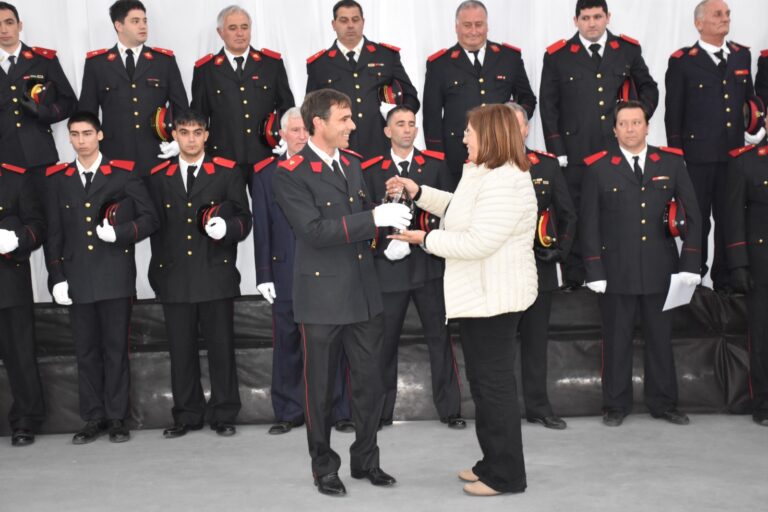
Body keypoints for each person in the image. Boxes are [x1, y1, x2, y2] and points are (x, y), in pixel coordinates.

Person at [389, 104, 538, 496]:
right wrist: (418, 192)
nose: (463, 138)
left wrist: (425, 239)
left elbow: (478, 241)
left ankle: (507, 476)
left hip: (496, 298)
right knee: (484, 383)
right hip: (478, 295)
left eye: (469, 131)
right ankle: (491, 462)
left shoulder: (507, 180)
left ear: (488, 135)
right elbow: (458, 209)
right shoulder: (481, 172)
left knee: (495, 386)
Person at [273, 89, 410, 496]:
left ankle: (366, 459)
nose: (353, 125)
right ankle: (323, 466)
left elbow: (364, 223)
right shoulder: (291, 172)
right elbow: (313, 231)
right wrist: (373, 218)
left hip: (364, 292)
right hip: (321, 298)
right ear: (319, 123)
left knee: (370, 383)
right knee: (320, 389)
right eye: (345, 118)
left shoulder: (352, 164)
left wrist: (389, 237)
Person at [580, 100, 702, 427]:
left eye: (637, 122)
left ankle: (664, 403)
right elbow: (588, 223)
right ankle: (615, 405)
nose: (631, 129)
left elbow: (694, 215)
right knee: (616, 340)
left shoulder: (673, 163)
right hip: (615, 273)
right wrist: (593, 269)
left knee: (661, 340)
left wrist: (691, 263)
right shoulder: (598, 166)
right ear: (615, 128)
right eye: (624, 123)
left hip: (662, 270)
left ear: (648, 126)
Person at [45, 111, 159, 444]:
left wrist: (122, 233)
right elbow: (54, 233)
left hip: (114, 276)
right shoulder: (59, 179)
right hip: (77, 278)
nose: (81, 140)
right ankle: (93, 417)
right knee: (86, 351)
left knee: (114, 350)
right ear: (68, 138)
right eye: (75, 134)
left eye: (87, 133)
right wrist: (56, 276)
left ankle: (117, 416)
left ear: (100, 135)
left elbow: (150, 219)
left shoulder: (122, 174)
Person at [147, 109, 252, 439]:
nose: (190, 138)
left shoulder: (227, 171)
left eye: (197, 132)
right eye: (184, 132)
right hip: (174, 275)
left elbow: (245, 220)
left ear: (207, 135)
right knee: (181, 350)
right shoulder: (158, 175)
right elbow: (153, 224)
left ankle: (223, 412)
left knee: (221, 349)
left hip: (214, 273)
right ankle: (187, 414)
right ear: (173, 135)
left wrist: (229, 228)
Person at [539, 0, 658, 290]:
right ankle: (576, 275)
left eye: (597, 16)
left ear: (608, 17)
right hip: (576, 151)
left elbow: (649, 88)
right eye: (586, 17)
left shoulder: (627, 50)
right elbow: (548, 105)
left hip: (617, 151)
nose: (592, 23)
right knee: (577, 213)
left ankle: (617, 268)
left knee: (619, 210)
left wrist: (634, 121)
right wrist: (558, 149)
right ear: (575, 20)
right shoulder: (557, 56)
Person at [251, 107, 354, 435]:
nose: (300, 136)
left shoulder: (327, 167)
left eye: (304, 130)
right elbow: (263, 226)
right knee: (287, 343)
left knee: (332, 342)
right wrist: (263, 273)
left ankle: (340, 410)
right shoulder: (267, 174)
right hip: (286, 271)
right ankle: (288, 411)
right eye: (293, 131)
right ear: (281, 134)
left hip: (326, 271)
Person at [361, 105, 464, 430]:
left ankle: (451, 410)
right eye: (400, 124)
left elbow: (449, 211)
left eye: (411, 124)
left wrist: (422, 238)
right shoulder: (371, 169)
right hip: (387, 269)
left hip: (427, 265)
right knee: (384, 343)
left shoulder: (433, 165)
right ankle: (380, 413)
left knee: (440, 338)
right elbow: (364, 214)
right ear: (387, 131)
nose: (407, 129)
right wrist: (384, 245)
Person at [665, 0, 759, 292]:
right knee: (698, 220)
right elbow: (673, 112)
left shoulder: (741, 56)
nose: (725, 19)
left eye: (727, 14)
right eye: (718, 14)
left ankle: (726, 280)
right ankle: (695, 277)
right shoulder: (683, 60)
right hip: (698, 157)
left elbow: (750, 101)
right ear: (699, 23)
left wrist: (754, 134)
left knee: (731, 218)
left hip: (734, 156)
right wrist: (676, 155)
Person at [508, 102, 577, 430]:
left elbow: (568, 214)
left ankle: (538, 406)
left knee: (536, 343)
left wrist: (561, 250)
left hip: (540, 268)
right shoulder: (480, 165)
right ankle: (501, 410)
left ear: (526, 129)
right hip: (500, 271)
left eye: (517, 124)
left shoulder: (546, 166)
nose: (511, 129)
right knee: (502, 347)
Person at [423, 0, 536, 190]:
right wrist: (437, 162)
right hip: (458, 156)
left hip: (504, 152)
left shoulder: (509, 58)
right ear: (456, 27)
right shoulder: (439, 65)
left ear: (487, 26)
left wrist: (513, 121)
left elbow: (527, 99)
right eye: (467, 25)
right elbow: (432, 117)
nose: (473, 31)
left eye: (479, 24)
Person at [78, 0, 188, 178]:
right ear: (119, 25)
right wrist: (89, 152)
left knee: (158, 205)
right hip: (115, 156)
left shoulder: (163, 62)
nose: (143, 26)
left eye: (145, 21)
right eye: (135, 21)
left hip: (158, 154)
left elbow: (181, 107)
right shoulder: (97, 64)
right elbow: (86, 113)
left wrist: (179, 140)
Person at [192, 4, 295, 189]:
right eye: (233, 28)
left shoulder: (271, 64)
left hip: (265, 155)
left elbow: (286, 108)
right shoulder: (205, 70)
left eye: (244, 27)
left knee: (270, 211)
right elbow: (198, 116)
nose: (240, 33)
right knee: (230, 214)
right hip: (224, 158)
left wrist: (285, 139)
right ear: (220, 32)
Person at [305, 0, 419, 159]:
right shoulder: (320, 64)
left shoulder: (385, 56)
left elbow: (410, 97)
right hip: (338, 149)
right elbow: (311, 109)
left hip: (381, 144)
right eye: (344, 20)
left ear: (363, 22)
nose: (350, 25)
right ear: (333, 24)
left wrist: (395, 118)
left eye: (355, 19)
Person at [0, 1, 76, 187]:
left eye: (9, 22)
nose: (3, 29)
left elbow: (69, 102)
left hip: (39, 154)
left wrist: (43, 112)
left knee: (48, 213)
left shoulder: (43, 60)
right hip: (3, 159)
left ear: (19, 25)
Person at [725, 123, 768, 427]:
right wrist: (738, 263)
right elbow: (733, 216)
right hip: (761, 264)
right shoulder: (746, 161)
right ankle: (764, 402)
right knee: (763, 336)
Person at [0, 159, 46, 446]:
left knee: (20, 354)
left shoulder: (16, 178)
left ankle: (25, 420)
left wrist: (16, 239)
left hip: (8, 281)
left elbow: (37, 226)